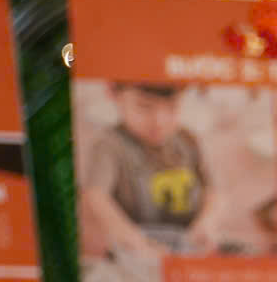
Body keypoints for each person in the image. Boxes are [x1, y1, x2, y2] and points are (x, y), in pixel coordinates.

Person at [77, 84, 214, 270]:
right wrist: (130, 238)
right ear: (113, 94)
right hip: (135, 250)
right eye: (144, 107)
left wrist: (206, 222)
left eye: (172, 107)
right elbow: (95, 195)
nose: (159, 121)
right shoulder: (109, 146)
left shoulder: (188, 140)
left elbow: (214, 190)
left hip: (186, 245)